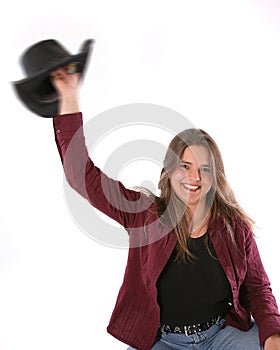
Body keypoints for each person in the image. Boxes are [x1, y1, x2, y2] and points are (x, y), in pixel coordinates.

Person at [49, 65, 280, 350]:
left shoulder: (234, 228)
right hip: (162, 341)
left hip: (221, 336)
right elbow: (81, 176)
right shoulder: (145, 215)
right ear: (170, 170)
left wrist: (272, 337)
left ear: (215, 176)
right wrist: (70, 97)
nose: (194, 178)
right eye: (185, 166)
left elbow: (258, 289)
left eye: (204, 169)